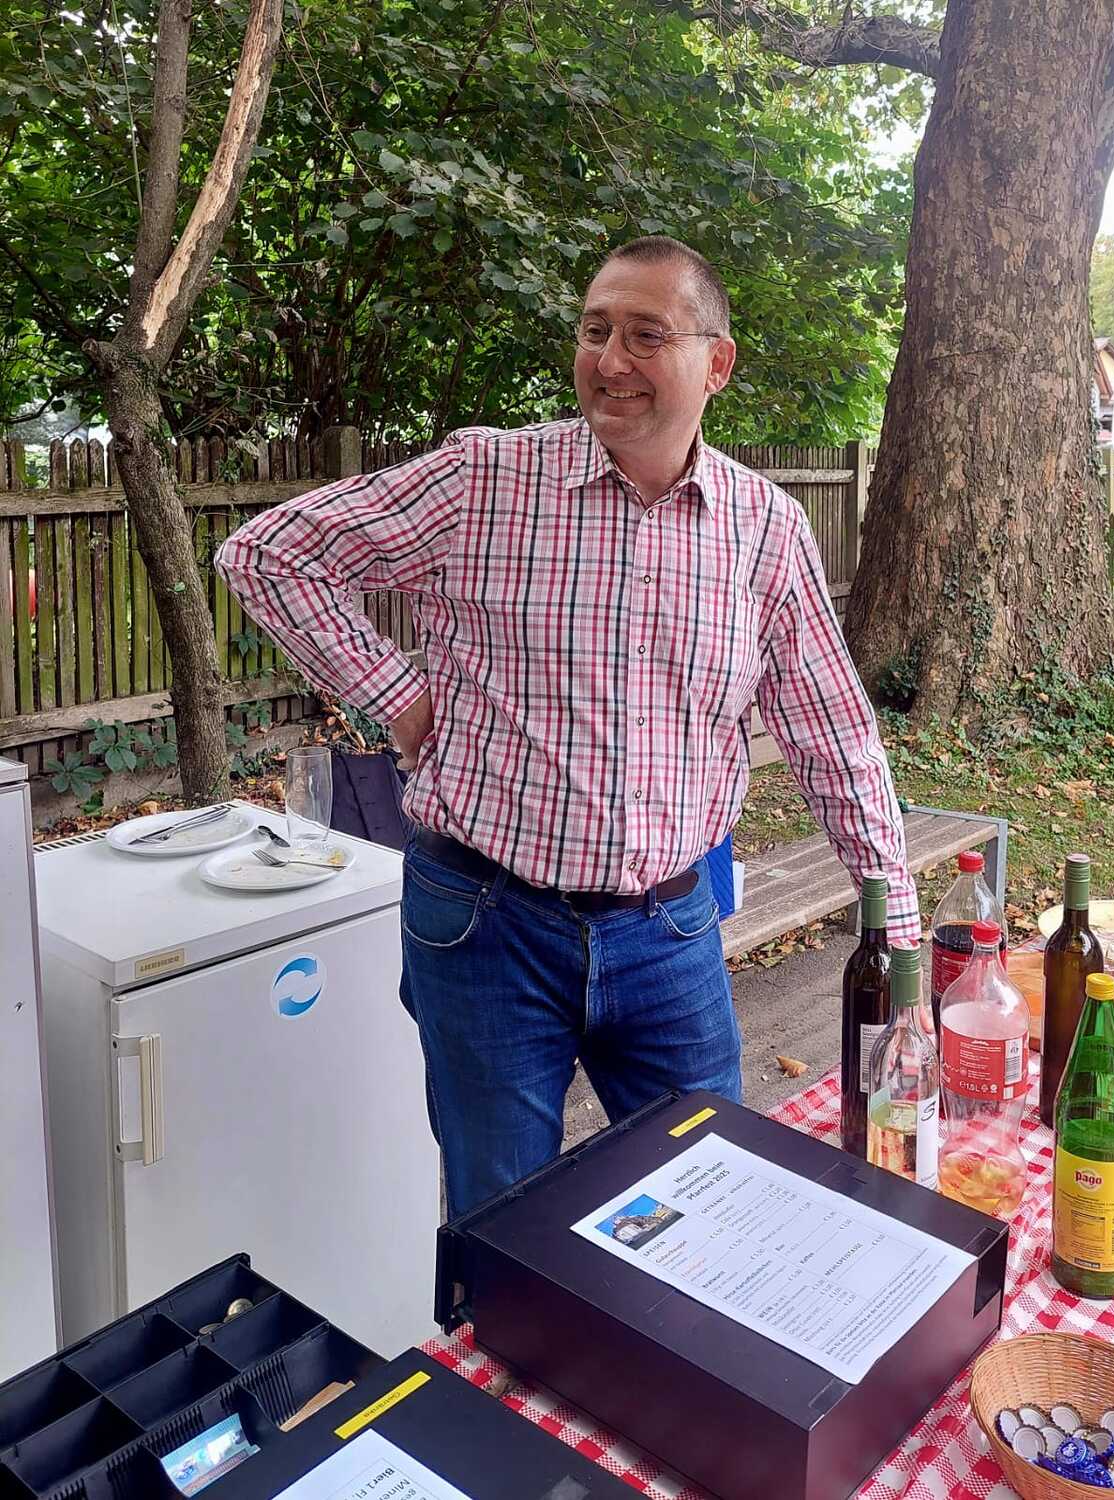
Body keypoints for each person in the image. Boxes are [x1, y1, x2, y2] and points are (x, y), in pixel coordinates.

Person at [216, 236, 918, 1214]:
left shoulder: (764, 529)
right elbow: (268, 554)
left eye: (645, 335)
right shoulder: (485, 480)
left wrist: (897, 926)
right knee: (502, 1221)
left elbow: (832, 733)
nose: (610, 359)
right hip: (484, 922)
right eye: (594, 331)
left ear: (715, 363)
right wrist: (401, 699)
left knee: (709, 1202)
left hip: (668, 929)